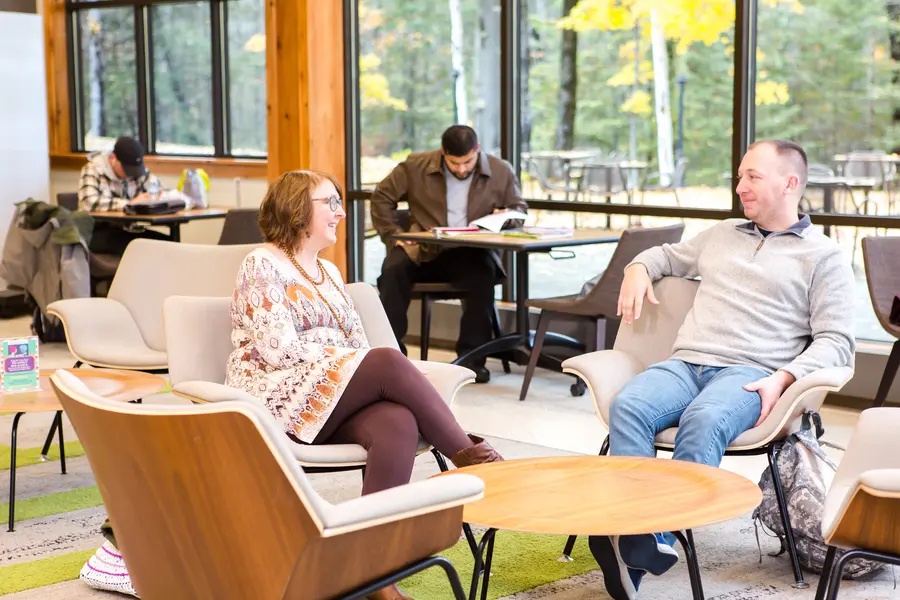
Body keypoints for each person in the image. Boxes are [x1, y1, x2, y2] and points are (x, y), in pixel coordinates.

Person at [589, 140, 855, 600]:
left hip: (751, 373)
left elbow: (837, 341)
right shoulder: (721, 234)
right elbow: (665, 256)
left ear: (789, 183)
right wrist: (636, 266)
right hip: (686, 362)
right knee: (628, 404)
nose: (740, 187)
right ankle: (635, 535)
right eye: (739, 176)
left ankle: (653, 539)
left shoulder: (824, 256)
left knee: (704, 419)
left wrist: (785, 376)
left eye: (752, 176)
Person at [225, 170, 503, 600]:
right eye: (329, 203)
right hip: (277, 395)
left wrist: (353, 365)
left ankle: (374, 575)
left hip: (329, 394)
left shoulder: (331, 273)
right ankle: (470, 454)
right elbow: (279, 350)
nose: (339, 212)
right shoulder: (261, 264)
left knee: (398, 422)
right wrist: (352, 365)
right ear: (298, 210)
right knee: (388, 362)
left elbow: (356, 342)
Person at [371, 125, 528, 383]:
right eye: (455, 163)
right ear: (443, 153)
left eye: (468, 161)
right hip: (423, 250)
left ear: (477, 150)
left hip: (471, 251)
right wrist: (392, 235)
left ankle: (471, 360)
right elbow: (381, 197)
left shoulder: (501, 170)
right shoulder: (415, 166)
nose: (462, 169)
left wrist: (505, 218)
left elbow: (519, 209)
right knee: (392, 270)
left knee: (483, 274)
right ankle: (392, 355)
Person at [77, 136, 169, 255]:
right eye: (127, 169)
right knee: (143, 248)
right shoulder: (93, 169)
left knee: (168, 244)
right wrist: (129, 204)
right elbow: (88, 202)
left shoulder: (137, 172)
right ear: (113, 158)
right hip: (97, 232)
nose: (130, 174)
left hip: (127, 230)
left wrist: (156, 195)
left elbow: (155, 188)